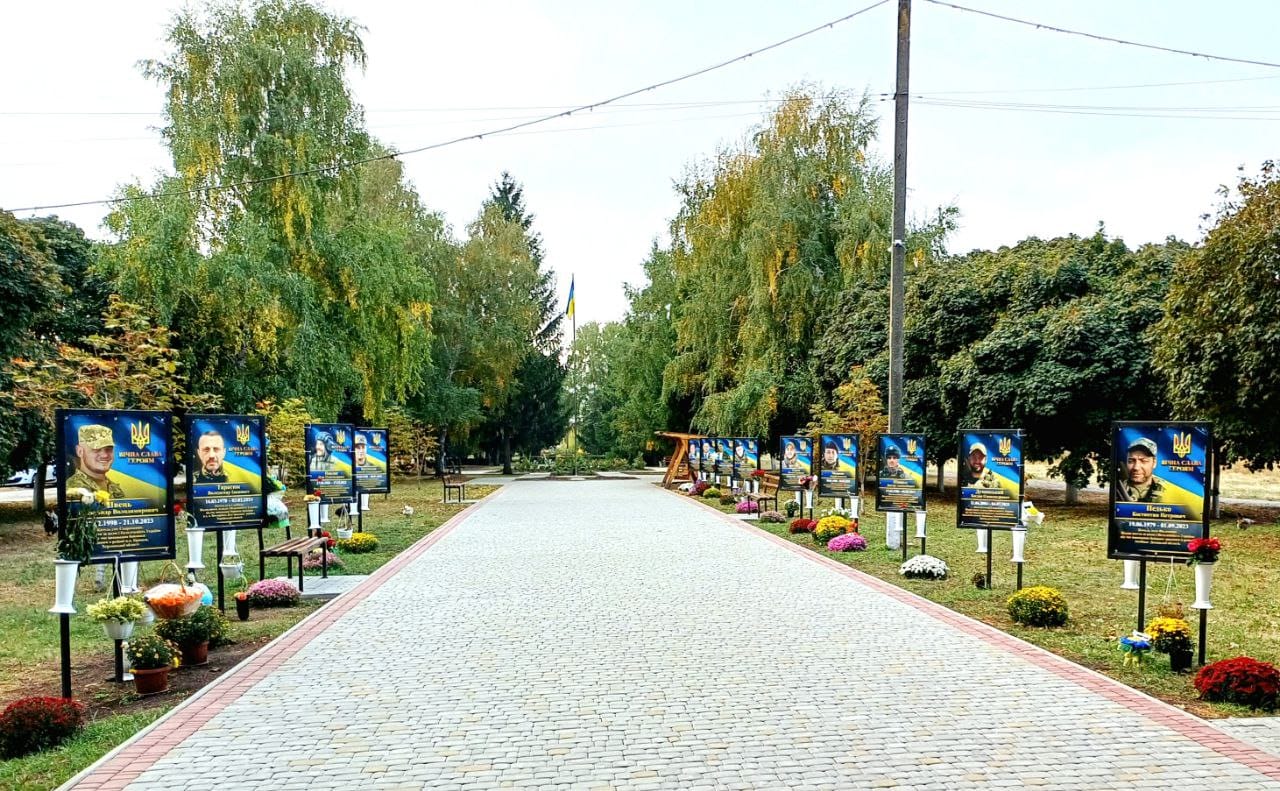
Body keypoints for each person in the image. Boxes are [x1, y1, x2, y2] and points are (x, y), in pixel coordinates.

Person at [66, 424, 125, 498]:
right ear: (80, 451)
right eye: (96, 449)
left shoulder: (115, 489)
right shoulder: (74, 489)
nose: (105, 455)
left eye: (108, 449)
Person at [1116, 437, 1166, 503]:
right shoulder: (1118, 488)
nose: (1136, 467)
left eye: (1143, 461)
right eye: (1131, 461)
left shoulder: (1167, 490)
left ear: (1154, 463)